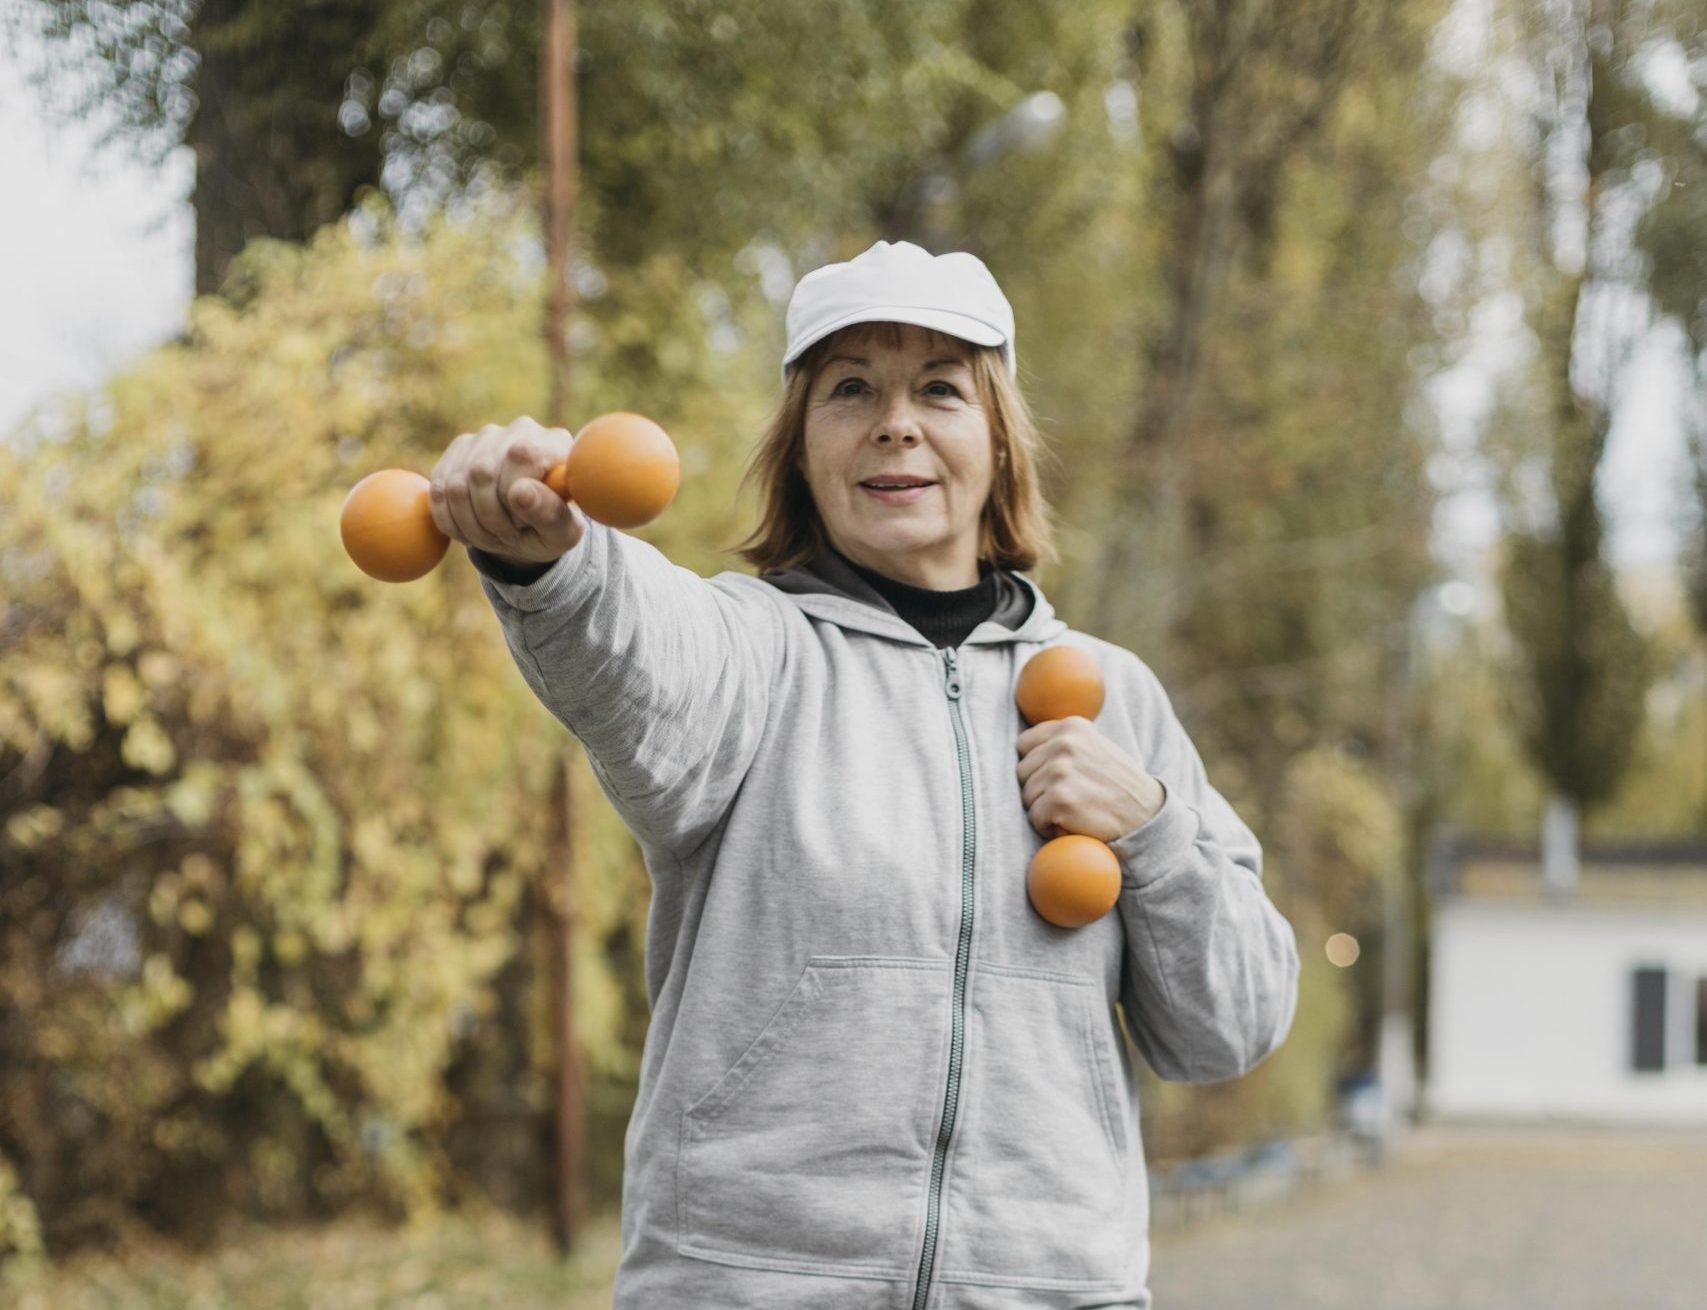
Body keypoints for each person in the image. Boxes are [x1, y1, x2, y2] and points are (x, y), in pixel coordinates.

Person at [431, 239, 1300, 1309]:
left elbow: (1232, 1025)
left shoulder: (1110, 697)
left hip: (1047, 1287)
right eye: (852, 389)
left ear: (998, 443)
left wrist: (1154, 832)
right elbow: (635, 641)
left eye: (940, 388)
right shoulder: (755, 652)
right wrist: (549, 556)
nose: (897, 420)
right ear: (802, 451)